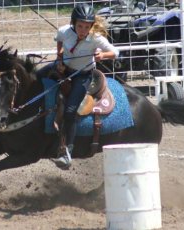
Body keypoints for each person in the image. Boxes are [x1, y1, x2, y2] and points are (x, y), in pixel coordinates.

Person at [50, 3, 119, 169]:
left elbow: (115, 53)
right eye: (80, 26)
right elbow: (59, 41)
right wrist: (59, 58)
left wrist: (102, 55)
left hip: (83, 76)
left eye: (86, 27)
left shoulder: (96, 38)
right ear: (74, 23)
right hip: (63, 71)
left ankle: (68, 151)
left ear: (91, 26)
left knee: (70, 110)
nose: (82, 30)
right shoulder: (64, 31)